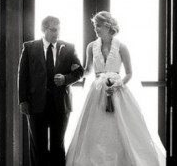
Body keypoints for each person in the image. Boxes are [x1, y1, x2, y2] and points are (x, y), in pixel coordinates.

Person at [66, 11, 166, 166]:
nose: (96, 29)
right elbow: (88, 70)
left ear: (108, 26)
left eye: (98, 25)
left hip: (118, 92)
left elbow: (130, 73)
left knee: (123, 131)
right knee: (95, 131)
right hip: (97, 93)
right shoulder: (91, 46)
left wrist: (118, 84)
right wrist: (76, 70)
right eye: (94, 26)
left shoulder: (122, 47)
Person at [18, 16, 84, 166]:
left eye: (59, 29)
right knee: (38, 146)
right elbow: (22, 76)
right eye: (53, 30)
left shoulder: (69, 47)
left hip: (60, 104)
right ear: (43, 29)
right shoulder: (29, 48)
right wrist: (23, 100)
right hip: (36, 103)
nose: (57, 33)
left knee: (58, 146)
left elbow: (79, 71)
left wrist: (66, 79)